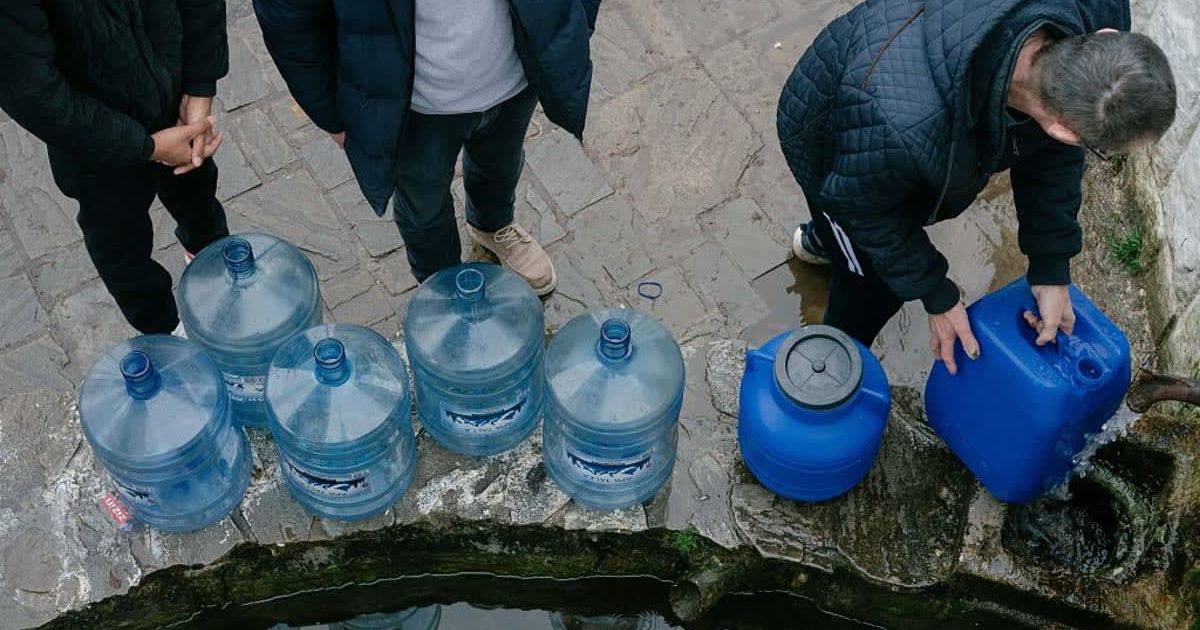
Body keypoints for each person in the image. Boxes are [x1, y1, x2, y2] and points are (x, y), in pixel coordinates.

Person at [777, 0, 1176, 374]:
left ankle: (825, 241)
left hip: (876, 145)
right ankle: (832, 361)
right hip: (827, 133)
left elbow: (1046, 154)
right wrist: (936, 293)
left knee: (872, 217)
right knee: (872, 281)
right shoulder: (900, 125)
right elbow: (858, 204)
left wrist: (1051, 265)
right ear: (1063, 130)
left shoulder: (1092, 22)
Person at [254, 0, 601, 296]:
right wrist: (331, 113)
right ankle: (443, 287)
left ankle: (492, 226)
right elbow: (289, 16)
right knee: (423, 205)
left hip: (515, 78)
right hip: (413, 108)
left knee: (501, 165)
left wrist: (573, 25)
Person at [0, 0, 230, 335]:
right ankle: (165, 330)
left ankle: (212, 263)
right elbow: (35, 95)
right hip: (95, 145)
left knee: (198, 192)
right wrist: (146, 147)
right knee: (121, 246)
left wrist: (200, 86)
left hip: (174, 93)